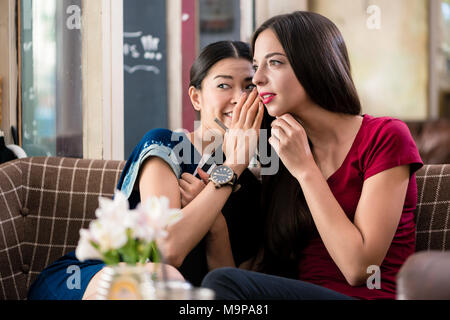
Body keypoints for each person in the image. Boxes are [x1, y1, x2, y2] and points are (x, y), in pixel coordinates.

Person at [201, 11, 424, 300]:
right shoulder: (277, 151)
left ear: (315, 65)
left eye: (274, 63)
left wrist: (305, 169)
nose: (257, 78)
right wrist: (218, 212)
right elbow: (258, 269)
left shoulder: (385, 136)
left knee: (223, 283)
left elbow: (361, 268)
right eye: (257, 66)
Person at [27, 41, 265, 300]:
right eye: (223, 85)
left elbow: (226, 286)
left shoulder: (251, 189)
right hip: (102, 278)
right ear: (196, 97)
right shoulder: (165, 146)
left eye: (249, 86)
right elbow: (167, 251)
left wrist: (216, 225)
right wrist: (234, 165)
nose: (240, 98)